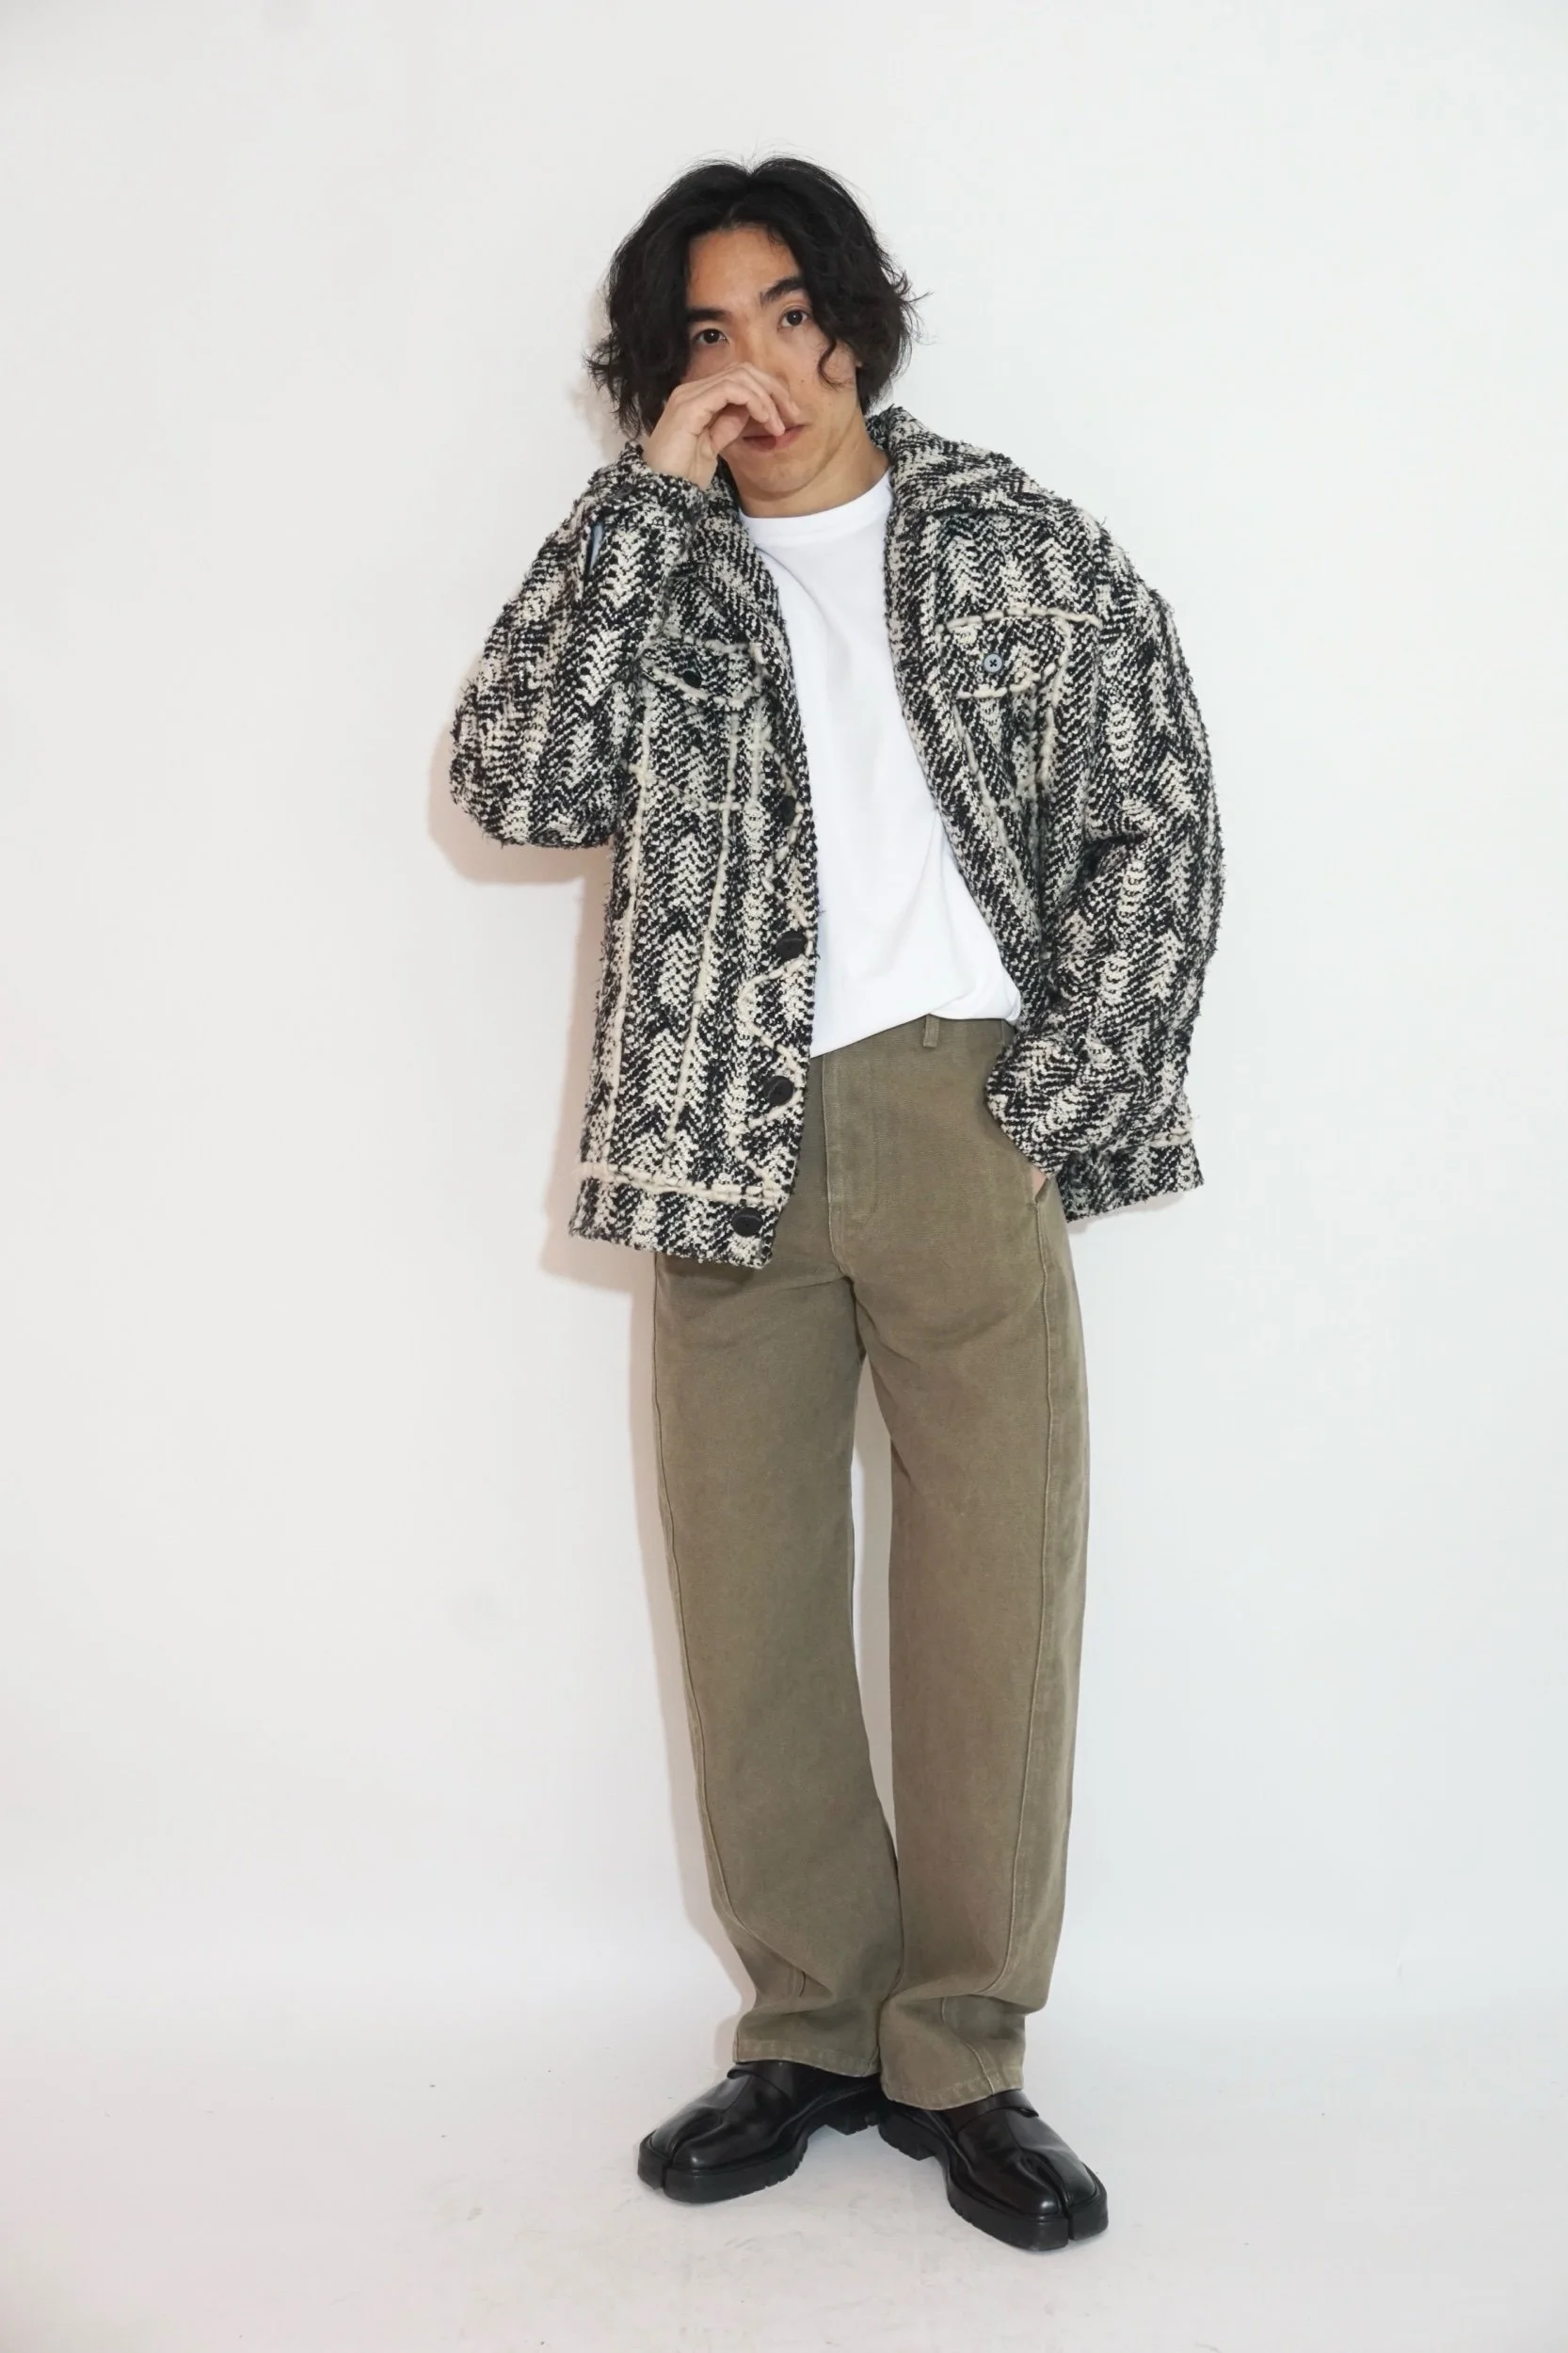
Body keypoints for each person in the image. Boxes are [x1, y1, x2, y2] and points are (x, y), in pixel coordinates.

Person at [448, 154, 1224, 2254]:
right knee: (750, 1600)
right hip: (723, 1131)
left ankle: (960, 2048)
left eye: (787, 316)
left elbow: (1155, 815)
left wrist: (1058, 1101)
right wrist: (643, 502)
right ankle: (804, 2023)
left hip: (966, 1114)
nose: (760, 372)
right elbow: (512, 780)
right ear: (661, 375)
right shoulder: (659, 571)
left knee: (993, 1598)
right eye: (707, 337)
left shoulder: (1016, 546)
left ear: (854, 323)